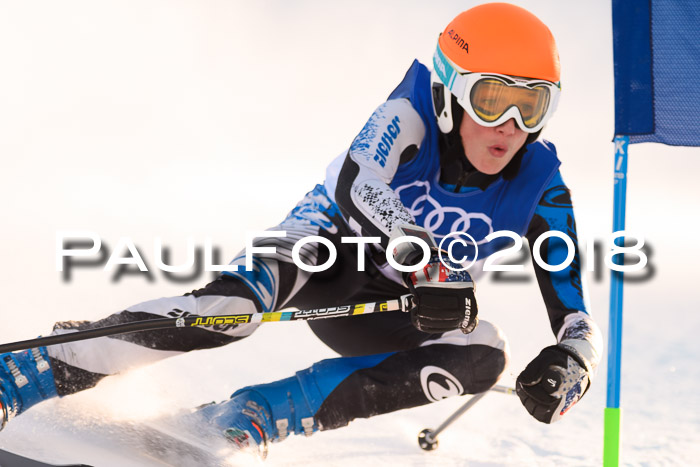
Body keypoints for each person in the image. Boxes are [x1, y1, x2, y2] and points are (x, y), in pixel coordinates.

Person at [0, 2, 602, 459]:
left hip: (391, 311)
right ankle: (24, 375)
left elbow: (572, 304)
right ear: (451, 91)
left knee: (483, 355)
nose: (511, 124)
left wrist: (572, 362)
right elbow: (355, 184)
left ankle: (247, 418)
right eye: (493, 98)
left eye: (533, 105)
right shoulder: (409, 111)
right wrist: (432, 264)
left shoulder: (541, 183)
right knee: (229, 311)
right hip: (322, 255)